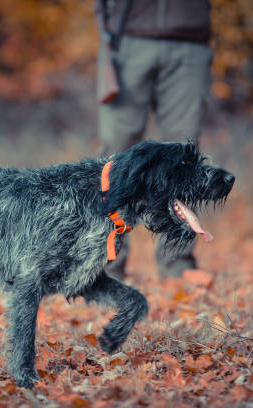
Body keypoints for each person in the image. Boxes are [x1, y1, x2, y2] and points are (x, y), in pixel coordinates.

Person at [96, 0, 214, 279]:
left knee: (185, 157)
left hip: (190, 40)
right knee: (116, 151)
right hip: (128, 37)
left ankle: (177, 264)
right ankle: (106, 264)